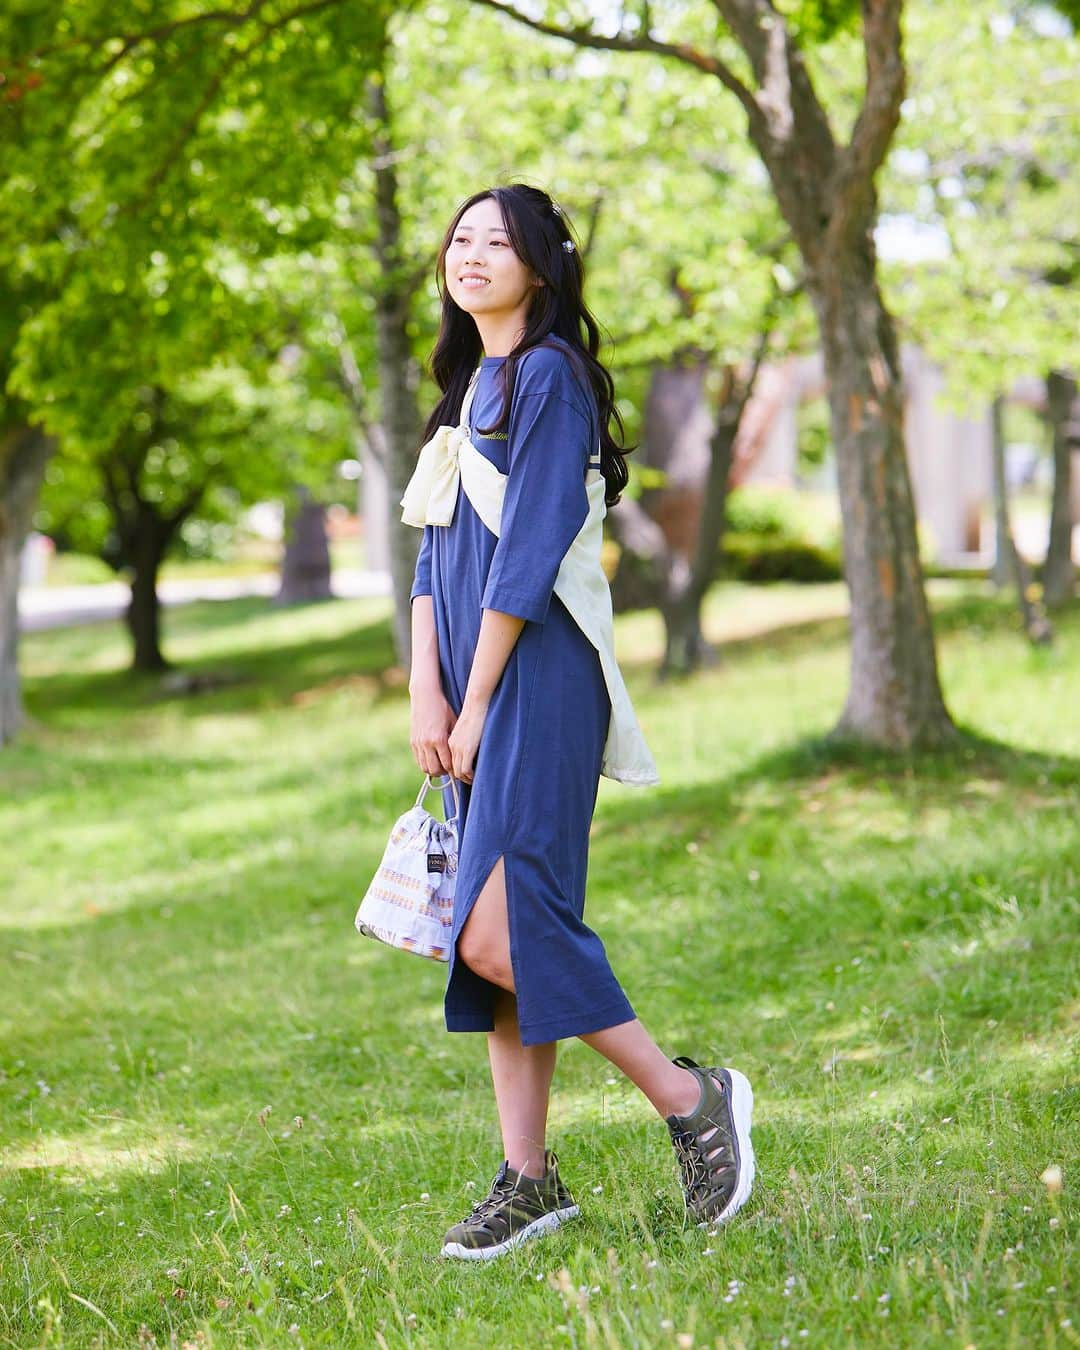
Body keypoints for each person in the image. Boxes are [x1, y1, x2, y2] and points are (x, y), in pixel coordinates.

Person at [404, 183, 755, 1261]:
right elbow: (433, 551)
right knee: (495, 936)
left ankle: (691, 1099)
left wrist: (485, 698)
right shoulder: (467, 390)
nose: (471, 255)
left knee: (509, 927)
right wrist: (429, 691)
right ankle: (529, 1178)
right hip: (469, 684)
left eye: (495, 242)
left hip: (540, 678)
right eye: (460, 239)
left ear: (541, 268)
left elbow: (530, 552)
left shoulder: (547, 380)